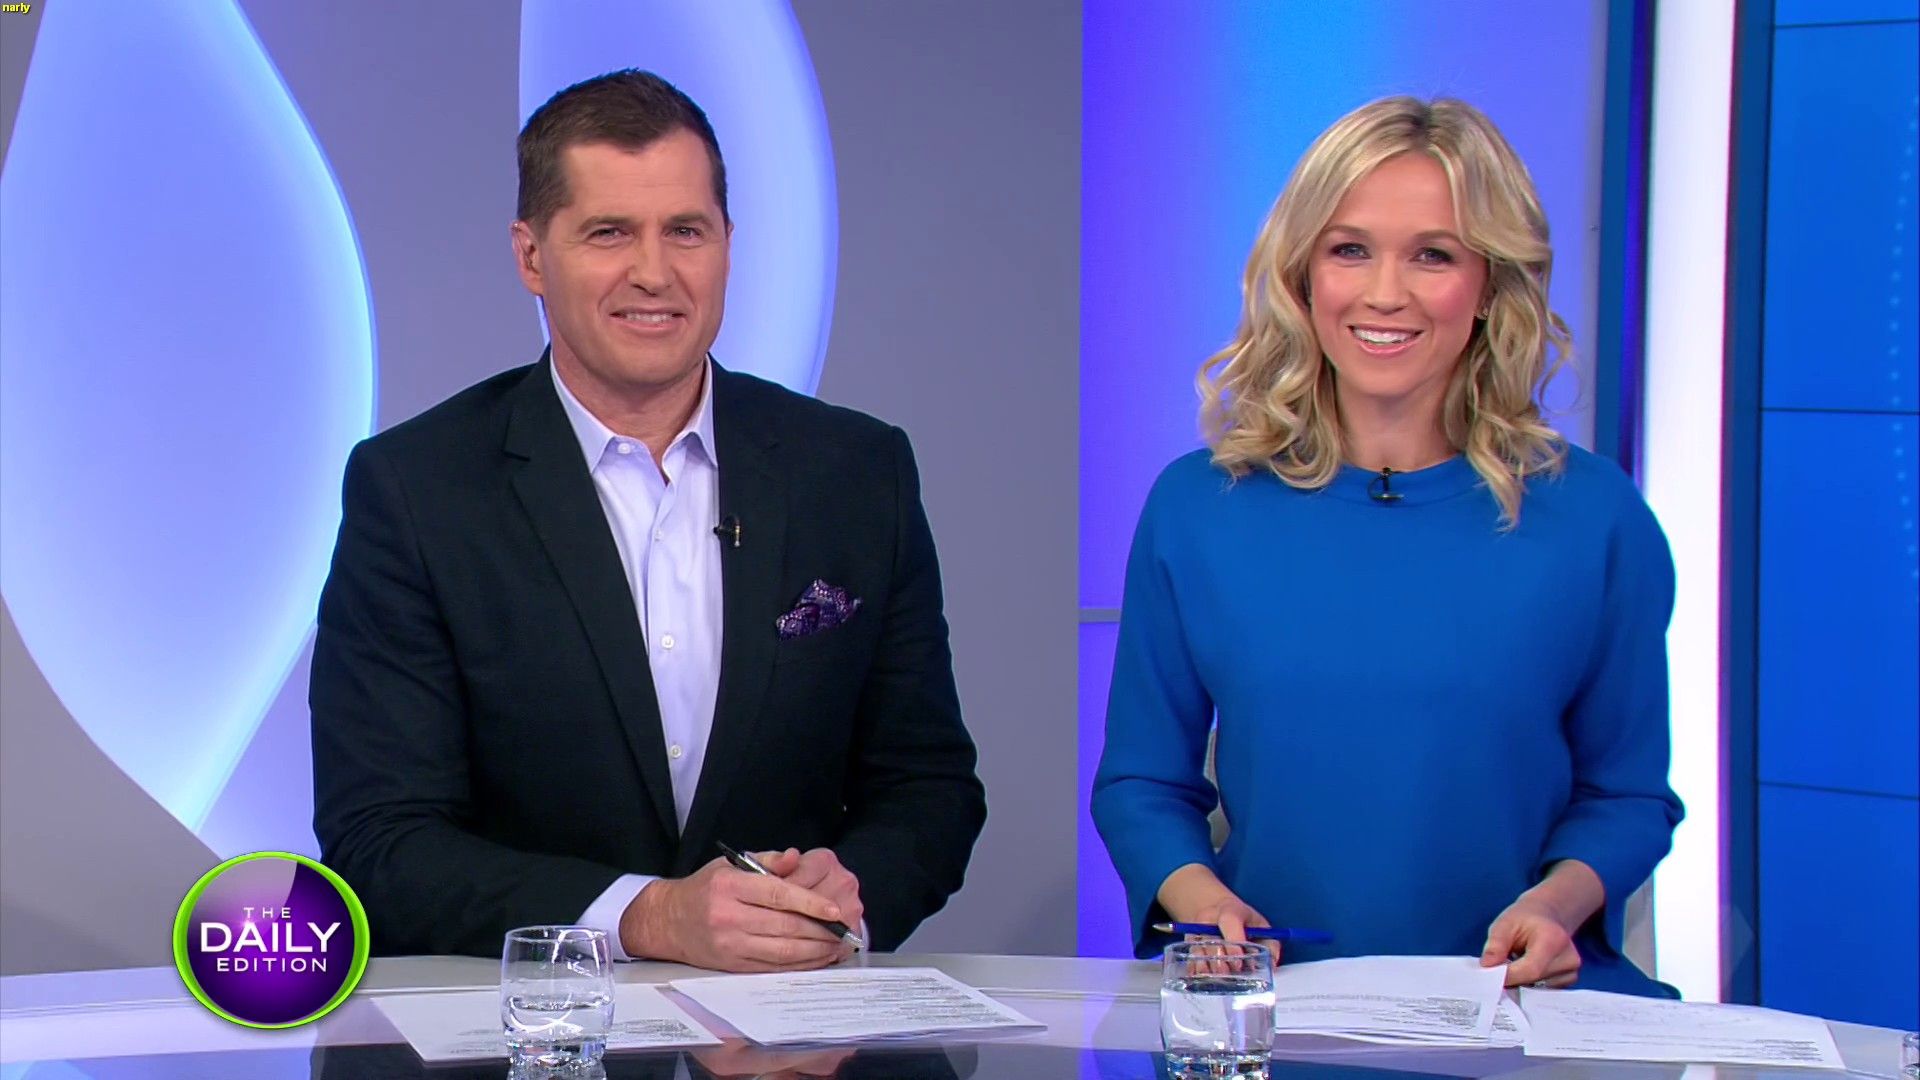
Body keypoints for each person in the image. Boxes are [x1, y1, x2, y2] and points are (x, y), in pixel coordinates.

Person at [310, 69, 985, 971]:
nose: (654, 273)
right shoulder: (417, 489)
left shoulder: (858, 473)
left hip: (791, 1029)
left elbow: (930, 787)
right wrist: (647, 918)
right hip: (531, 1027)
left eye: (685, 231)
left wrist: (848, 890)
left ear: (729, 246)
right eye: (609, 233)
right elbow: (381, 839)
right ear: (531, 256)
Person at [1089, 97, 1684, 997]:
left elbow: (1627, 796)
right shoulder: (1199, 507)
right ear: (1302, 274)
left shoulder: (1594, 517)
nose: (1385, 293)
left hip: (1518, 1011)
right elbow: (1142, 784)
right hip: (1278, 1007)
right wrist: (1203, 902)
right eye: (1350, 249)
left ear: (1490, 286)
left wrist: (1556, 907)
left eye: (1433, 255)